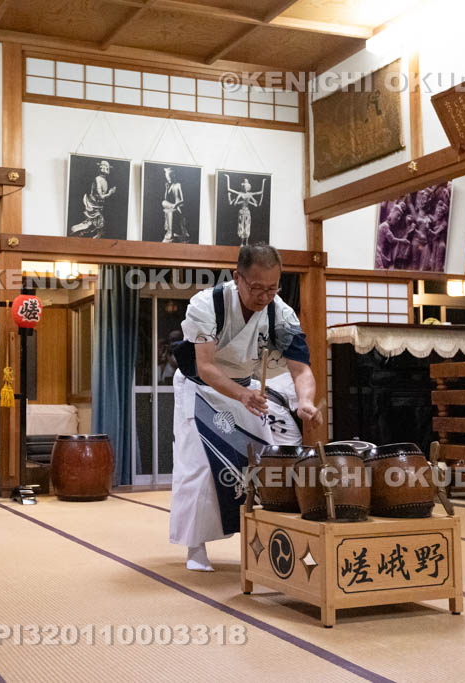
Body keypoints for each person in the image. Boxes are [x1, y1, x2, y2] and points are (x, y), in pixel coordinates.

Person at [170, 245, 322, 571]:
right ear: (237, 277)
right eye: (256, 288)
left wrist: (306, 401)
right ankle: (195, 547)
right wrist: (242, 395)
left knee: (263, 462)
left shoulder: (280, 313)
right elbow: (206, 367)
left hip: (244, 388)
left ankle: (263, 542)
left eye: (272, 288)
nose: (264, 296)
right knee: (200, 465)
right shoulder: (206, 304)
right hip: (201, 387)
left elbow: (301, 369)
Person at [69, 159, 117, 238]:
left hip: (99, 206)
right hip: (94, 206)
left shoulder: (104, 179)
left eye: (108, 168)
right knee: (92, 224)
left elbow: (102, 197)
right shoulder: (98, 179)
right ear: (102, 168)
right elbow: (101, 196)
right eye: (106, 168)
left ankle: (93, 236)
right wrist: (110, 193)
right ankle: (76, 231)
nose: (108, 170)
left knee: (99, 226)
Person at [226, 176, 266, 246]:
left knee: (247, 226)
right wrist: (228, 177)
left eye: (246, 186)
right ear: (243, 187)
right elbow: (229, 189)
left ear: (248, 187)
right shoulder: (240, 194)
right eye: (244, 186)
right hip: (241, 212)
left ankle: (246, 242)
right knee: (241, 226)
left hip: (247, 212)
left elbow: (261, 192)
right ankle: (241, 243)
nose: (245, 188)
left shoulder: (249, 194)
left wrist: (263, 181)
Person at [161, 167, 188, 243]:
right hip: (173, 205)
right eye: (167, 178)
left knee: (171, 210)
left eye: (169, 177)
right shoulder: (171, 185)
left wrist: (176, 205)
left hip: (180, 205)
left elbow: (183, 200)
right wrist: (166, 189)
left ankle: (171, 233)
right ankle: (170, 232)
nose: (168, 179)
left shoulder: (179, 184)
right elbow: (166, 199)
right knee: (163, 202)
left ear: (173, 176)